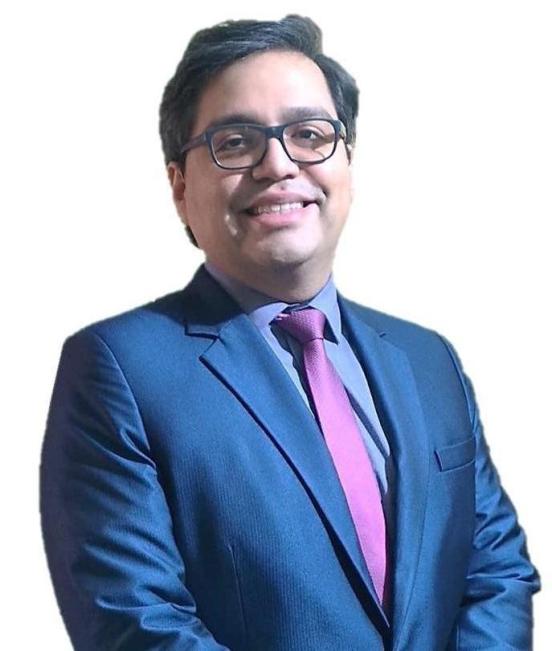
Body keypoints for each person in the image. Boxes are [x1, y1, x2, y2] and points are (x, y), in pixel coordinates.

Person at [40, 15, 540, 651]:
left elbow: (494, 572)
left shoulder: (428, 360)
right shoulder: (120, 370)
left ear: (347, 162)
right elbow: (135, 622)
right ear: (179, 186)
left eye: (309, 135)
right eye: (235, 141)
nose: (278, 164)